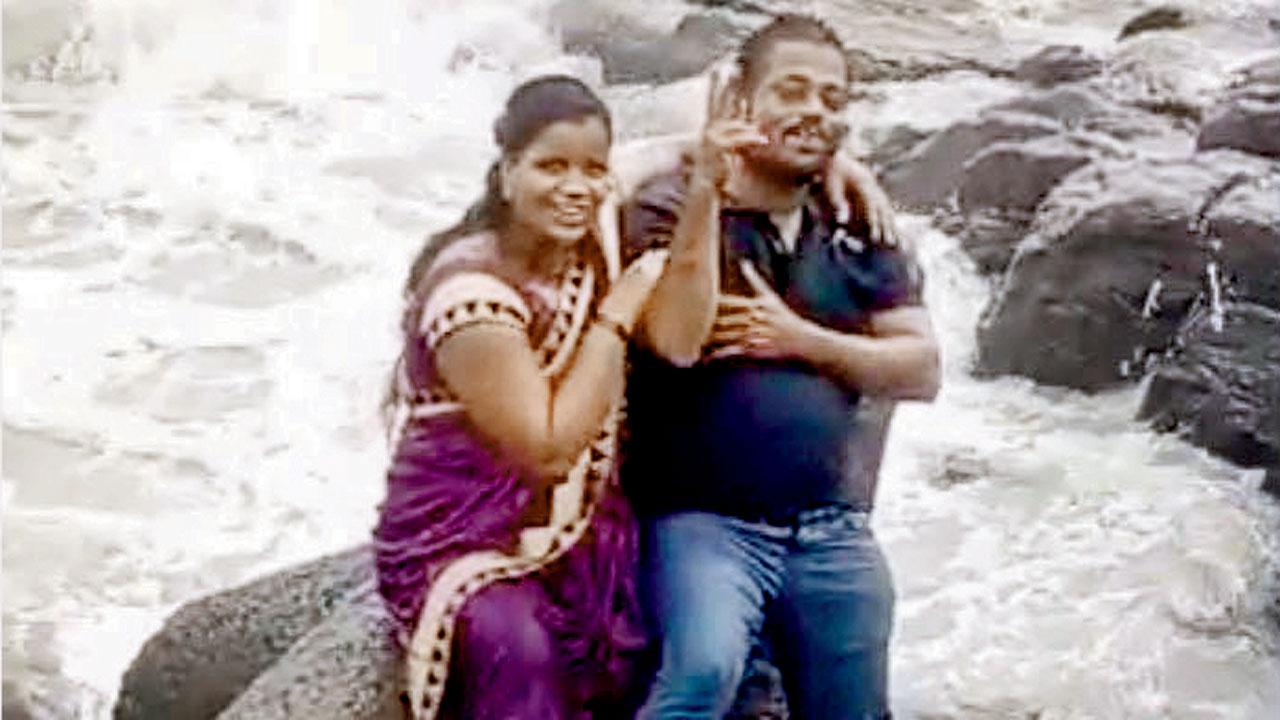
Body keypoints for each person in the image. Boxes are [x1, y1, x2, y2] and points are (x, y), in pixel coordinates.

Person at [623, 14, 941, 720]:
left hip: (828, 524)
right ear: (739, 98)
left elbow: (922, 369)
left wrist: (802, 339)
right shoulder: (668, 205)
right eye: (792, 91)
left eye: (832, 100)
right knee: (703, 672)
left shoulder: (856, 225)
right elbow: (675, 339)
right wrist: (705, 182)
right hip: (705, 521)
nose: (814, 112)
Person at [372, 75, 666, 720]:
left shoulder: (583, 242)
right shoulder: (472, 293)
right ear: (507, 172)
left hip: (572, 534)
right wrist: (616, 319)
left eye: (594, 170)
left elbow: (673, 152)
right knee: (522, 650)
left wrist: (845, 168)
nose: (577, 187)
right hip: (458, 538)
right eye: (551, 166)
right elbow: (548, 450)